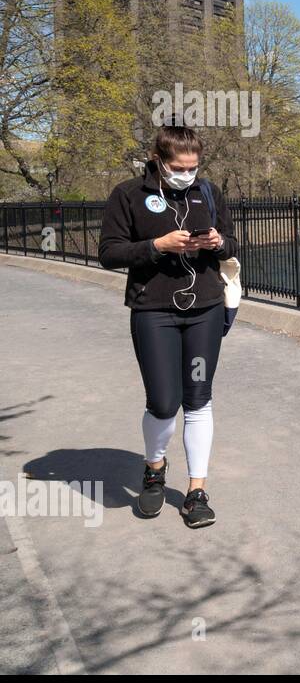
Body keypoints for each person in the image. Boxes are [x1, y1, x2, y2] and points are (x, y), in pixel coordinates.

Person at [98, 125, 238, 528]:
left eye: (194, 167)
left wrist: (216, 243)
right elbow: (109, 253)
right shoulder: (129, 195)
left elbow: (232, 243)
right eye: (179, 167)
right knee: (163, 401)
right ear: (158, 160)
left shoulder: (207, 192)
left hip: (205, 310)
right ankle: (154, 468)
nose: (187, 174)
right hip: (153, 310)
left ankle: (196, 491)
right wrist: (157, 246)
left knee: (198, 397)